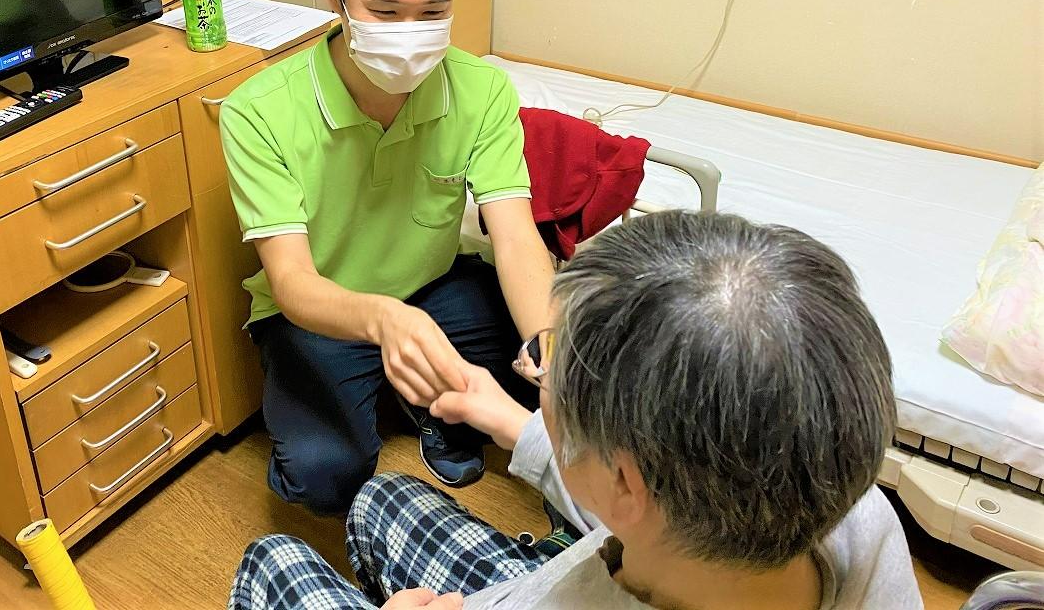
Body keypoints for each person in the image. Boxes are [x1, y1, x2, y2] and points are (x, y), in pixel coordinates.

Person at [228, 210, 923, 610]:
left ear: (624, 484)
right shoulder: (851, 511)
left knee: (275, 561)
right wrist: (510, 421)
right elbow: (652, 518)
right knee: (382, 497)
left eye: (551, 358)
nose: (537, 364)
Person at [219, 0, 556, 515]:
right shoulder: (257, 111)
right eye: (385, 12)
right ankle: (399, 388)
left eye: (433, 13)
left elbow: (515, 236)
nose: (410, 34)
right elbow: (291, 281)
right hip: (322, 309)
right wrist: (384, 321)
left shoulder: (480, 89)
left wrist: (549, 340)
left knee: (543, 384)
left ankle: (428, 404)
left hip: (434, 286)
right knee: (322, 479)